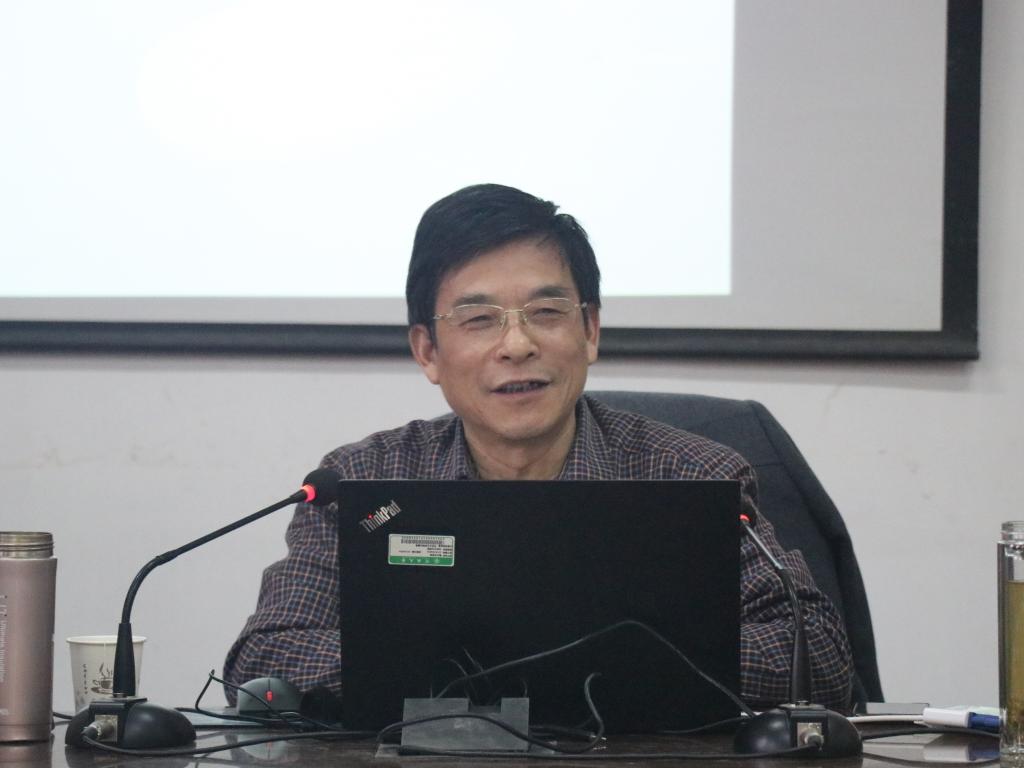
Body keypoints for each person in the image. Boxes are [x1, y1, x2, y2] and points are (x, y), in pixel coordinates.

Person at [224, 183, 853, 711]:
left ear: (591, 330)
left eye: (546, 312)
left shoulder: (695, 475)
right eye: (479, 319)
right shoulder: (363, 482)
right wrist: (592, 663)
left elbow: (817, 656)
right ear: (427, 352)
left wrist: (460, 666)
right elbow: (268, 657)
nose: (517, 345)